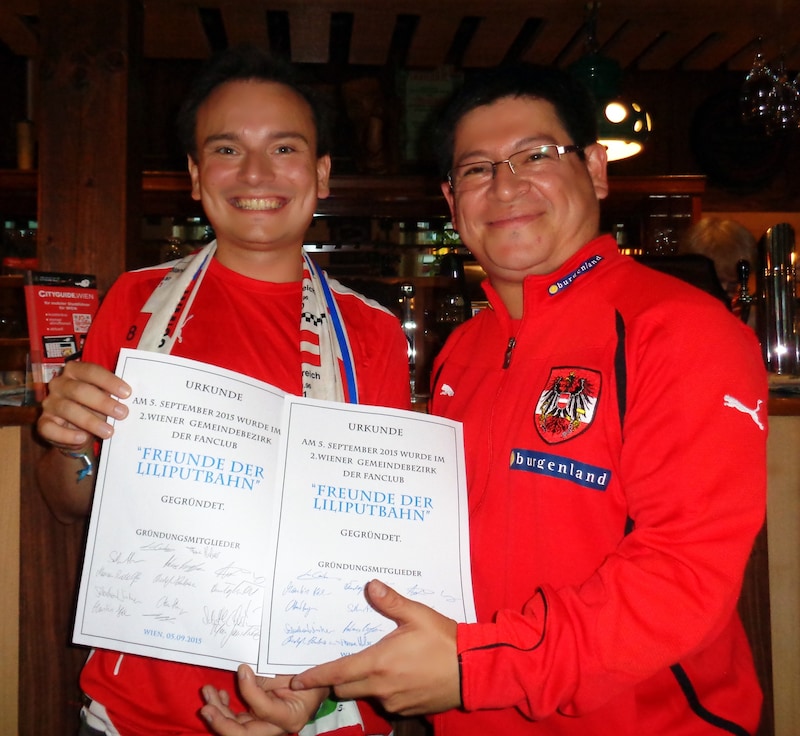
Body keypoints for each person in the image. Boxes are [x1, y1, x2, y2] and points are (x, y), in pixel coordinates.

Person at [201, 64, 768, 735]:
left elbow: (682, 575)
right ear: (451, 199)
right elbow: (419, 565)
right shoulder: (461, 354)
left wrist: (479, 668)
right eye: (476, 169)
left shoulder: (680, 328)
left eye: (535, 155)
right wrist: (323, 687)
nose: (505, 186)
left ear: (595, 169)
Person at [35, 45, 411, 736]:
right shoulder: (137, 304)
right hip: (135, 710)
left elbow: (376, 550)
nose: (257, 173)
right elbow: (69, 504)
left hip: (313, 708)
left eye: (285, 148)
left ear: (322, 173)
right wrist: (69, 444)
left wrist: (317, 703)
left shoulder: (371, 334)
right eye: (227, 149)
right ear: (195, 175)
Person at [679, 216, 758, 319]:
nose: (725, 290)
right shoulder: (681, 311)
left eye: (733, 285)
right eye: (718, 281)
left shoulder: (745, 313)